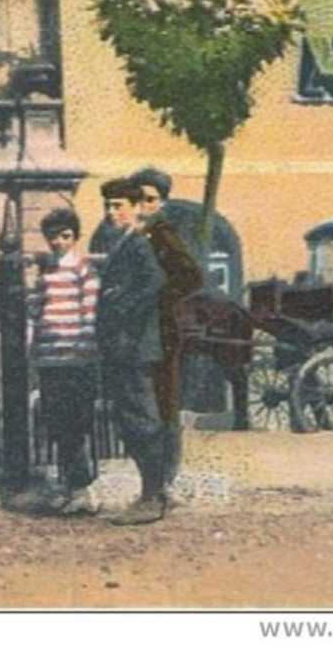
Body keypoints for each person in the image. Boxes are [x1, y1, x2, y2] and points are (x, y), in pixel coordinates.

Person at [127, 167, 204, 499]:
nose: (144, 205)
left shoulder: (163, 233)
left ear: (162, 202)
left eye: (150, 199)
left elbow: (191, 274)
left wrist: (161, 296)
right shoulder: (135, 232)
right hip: (144, 327)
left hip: (164, 326)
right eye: (139, 199)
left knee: (164, 399)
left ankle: (167, 476)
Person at [95, 178, 167, 526]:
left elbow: (154, 284)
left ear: (136, 208)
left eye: (119, 206)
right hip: (124, 345)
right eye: (108, 206)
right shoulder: (120, 243)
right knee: (129, 418)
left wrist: (122, 307)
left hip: (135, 345)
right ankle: (151, 491)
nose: (112, 212)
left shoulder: (138, 244)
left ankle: (153, 495)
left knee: (141, 418)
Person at [28, 207, 101, 516]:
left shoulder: (84, 270)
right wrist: (32, 347)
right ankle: (69, 486)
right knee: (55, 422)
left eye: (65, 236)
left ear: (75, 236)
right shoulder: (46, 273)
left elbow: (90, 314)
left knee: (76, 422)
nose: (58, 242)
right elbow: (33, 312)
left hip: (76, 360)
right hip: (49, 360)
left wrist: (84, 351)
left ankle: (83, 488)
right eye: (52, 237)